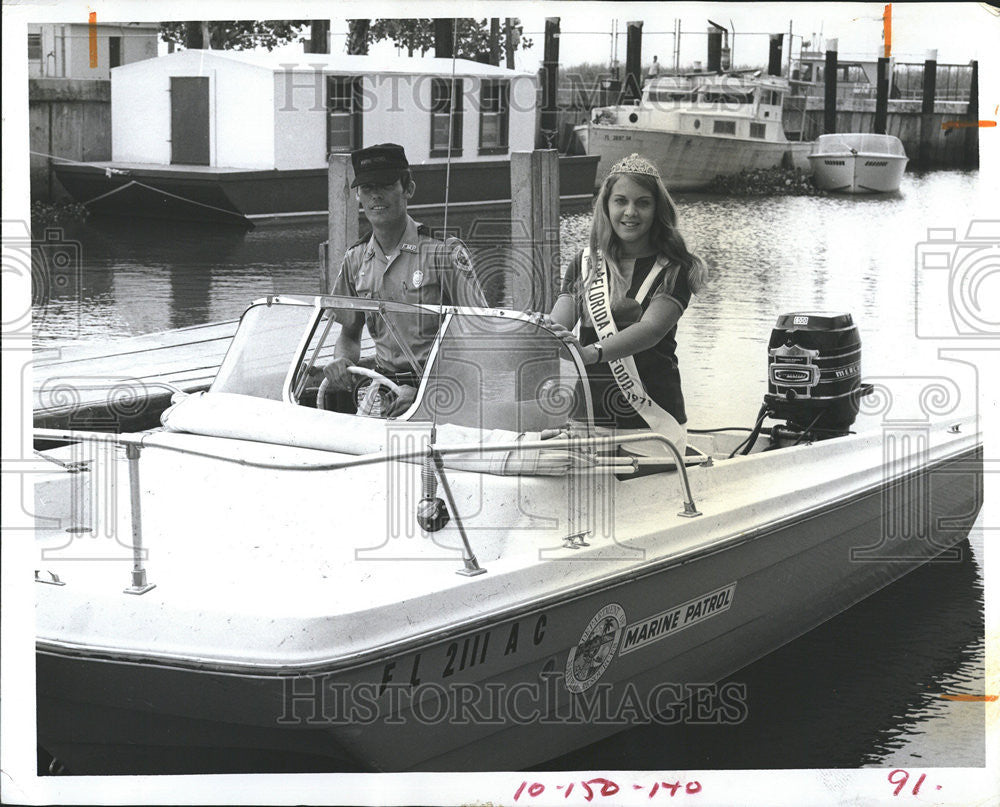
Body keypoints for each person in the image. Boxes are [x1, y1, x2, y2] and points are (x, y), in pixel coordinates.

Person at [544, 153, 708, 455]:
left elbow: (651, 330)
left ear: (657, 208)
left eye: (642, 203)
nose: (630, 212)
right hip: (588, 418)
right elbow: (557, 324)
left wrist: (589, 354)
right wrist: (540, 332)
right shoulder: (584, 263)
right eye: (621, 201)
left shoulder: (675, 269)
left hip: (651, 423)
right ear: (606, 206)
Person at [319, 143, 487, 416]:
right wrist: (341, 361)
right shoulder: (355, 259)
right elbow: (349, 334)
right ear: (358, 197)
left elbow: (480, 334)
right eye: (367, 188)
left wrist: (427, 393)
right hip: (388, 391)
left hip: (449, 394)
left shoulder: (442, 251)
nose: (375, 196)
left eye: (385, 185)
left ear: (408, 189)